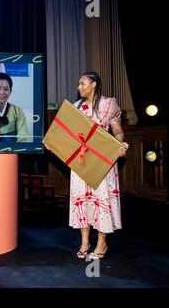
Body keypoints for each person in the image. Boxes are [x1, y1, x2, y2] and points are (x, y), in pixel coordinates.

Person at [46, 71, 129, 260]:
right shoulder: (76, 107)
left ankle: (102, 243)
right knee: (83, 202)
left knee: (102, 201)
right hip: (81, 162)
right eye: (79, 84)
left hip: (102, 161)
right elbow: (67, 136)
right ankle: (85, 242)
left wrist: (119, 144)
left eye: (83, 84)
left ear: (94, 84)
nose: (79, 87)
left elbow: (118, 132)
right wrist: (55, 145)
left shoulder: (108, 104)